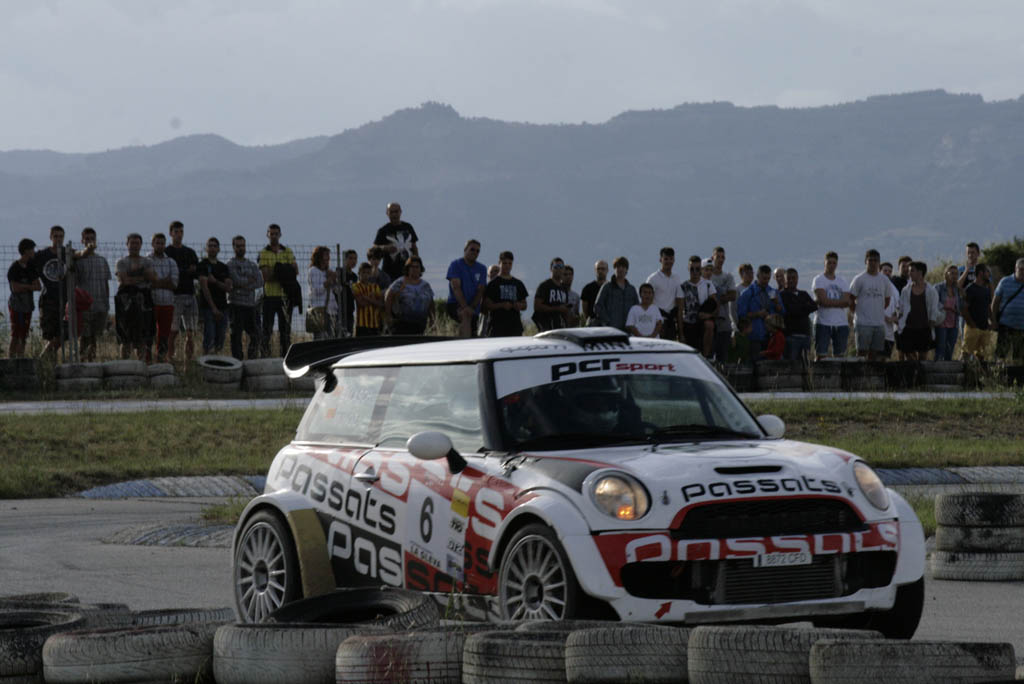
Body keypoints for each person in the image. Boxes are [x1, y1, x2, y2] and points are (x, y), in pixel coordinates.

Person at [114, 233, 156, 361]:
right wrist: (142, 276)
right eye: (132, 243)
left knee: (142, 336)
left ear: (141, 245)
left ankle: (141, 364)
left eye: (137, 243)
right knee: (125, 336)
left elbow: (151, 278)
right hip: (125, 301)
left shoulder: (147, 261)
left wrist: (131, 276)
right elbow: (124, 281)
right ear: (127, 244)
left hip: (144, 300)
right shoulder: (121, 262)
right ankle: (124, 365)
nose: (134, 246)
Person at [258, 223, 298, 356]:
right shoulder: (264, 253)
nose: (274, 236)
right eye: (271, 234)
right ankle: (265, 355)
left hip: (285, 296)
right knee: (267, 329)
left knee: (285, 330)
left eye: (276, 234)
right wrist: (283, 271)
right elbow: (265, 276)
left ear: (280, 235)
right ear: (267, 235)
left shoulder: (288, 251)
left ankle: (285, 356)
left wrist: (275, 271)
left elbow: (295, 271)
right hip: (269, 296)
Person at [74, 227, 111, 362]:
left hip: (100, 304)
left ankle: (92, 361)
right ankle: (82, 360)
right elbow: (75, 282)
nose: (90, 241)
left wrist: (107, 303)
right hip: (84, 304)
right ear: (82, 241)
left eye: (92, 239)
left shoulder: (102, 260)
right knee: (84, 335)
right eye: (87, 239)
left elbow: (106, 283)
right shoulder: (78, 261)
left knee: (94, 336)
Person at [165, 220, 199, 363]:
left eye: (181, 232)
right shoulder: (167, 252)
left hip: (190, 295)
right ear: (171, 233)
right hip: (174, 296)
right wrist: (186, 271)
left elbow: (196, 272)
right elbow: (170, 273)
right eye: (176, 232)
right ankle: (170, 358)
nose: (179, 235)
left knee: (190, 332)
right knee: (173, 332)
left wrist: (182, 271)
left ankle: (188, 363)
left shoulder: (190, 252)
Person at [32, 225, 68, 359]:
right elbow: (29, 265)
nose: (58, 239)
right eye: (55, 236)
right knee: (50, 334)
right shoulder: (42, 255)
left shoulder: (68, 254)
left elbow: (80, 255)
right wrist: (35, 281)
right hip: (49, 300)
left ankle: (43, 359)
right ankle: (47, 362)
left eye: (61, 236)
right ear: (51, 237)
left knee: (64, 333)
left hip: (65, 299)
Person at [849, 249, 892, 361]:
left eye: (876, 260)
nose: (873, 263)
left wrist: (877, 310)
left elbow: (887, 300)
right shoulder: (859, 279)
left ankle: (871, 372)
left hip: (879, 323)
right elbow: (851, 299)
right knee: (861, 352)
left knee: (875, 354)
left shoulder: (884, 280)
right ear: (866, 261)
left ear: (879, 262)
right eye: (870, 260)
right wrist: (857, 313)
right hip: (863, 323)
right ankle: (860, 372)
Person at [737, 264, 784, 361]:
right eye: (764, 278)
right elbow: (741, 315)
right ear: (758, 276)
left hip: (771, 337)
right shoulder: (747, 293)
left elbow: (782, 312)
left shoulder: (773, 292)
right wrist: (757, 314)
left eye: (768, 278)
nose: (766, 281)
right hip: (754, 335)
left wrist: (776, 303)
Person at [227, 235, 263, 360]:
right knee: (236, 335)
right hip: (236, 304)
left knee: (256, 334)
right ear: (233, 247)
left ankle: (252, 358)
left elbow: (259, 282)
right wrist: (249, 281)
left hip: (250, 305)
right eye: (238, 246)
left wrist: (242, 284)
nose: (241, 248)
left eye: (242, 245)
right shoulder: (230, 264)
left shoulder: (252, 264)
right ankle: (237, 359)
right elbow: (236, 281)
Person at [897, 261, 942, 361]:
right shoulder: (906, 290)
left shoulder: (931, 291)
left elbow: (934, 310)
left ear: (920, 272)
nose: (909, 273)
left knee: (922, 357)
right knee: (909, 355)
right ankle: (914, 370)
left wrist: (930, 326)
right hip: (908, 328)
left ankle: (920, 371)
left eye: (912, 271)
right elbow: (901, 308)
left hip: (924, 328)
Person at [812, 252, 851, 359]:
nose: (832, 265)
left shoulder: (842, 281)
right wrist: (839, 302)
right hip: (823, 323)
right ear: (824, 263)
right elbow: (823, 301)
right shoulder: (819, 280)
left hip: (841, 323)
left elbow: (847, 302)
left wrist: (828, 302)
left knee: (840, 356)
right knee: (821, 355)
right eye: (829, 262)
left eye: (834, 263)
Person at [197, 237, 233, 354]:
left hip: (223, 307)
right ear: (206, 248)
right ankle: (206, 360)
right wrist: (213, 309)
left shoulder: (224, 267)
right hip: (208, 308)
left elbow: (228, 288)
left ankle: (217, 360)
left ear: (218, 249)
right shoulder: (202, 265)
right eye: (210, 246)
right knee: (209, 338)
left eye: (214, 246)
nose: (212, 248)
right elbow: (204, 287)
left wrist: (215, 281)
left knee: (220, 340)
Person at [446, 239, 487, 338]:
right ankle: (464, 344)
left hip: (474, 306)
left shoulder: (482, 268)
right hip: (455, 303)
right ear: (465, 250)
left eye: (477, 251)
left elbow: (480, 290)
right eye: (472, 249)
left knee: (472, 331)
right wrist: (465, 307)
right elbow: (456, 287)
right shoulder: (456, 265)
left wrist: (471, 307)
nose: (475, 252)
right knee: (465, 315)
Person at [148, 233, 179, 363]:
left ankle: (161, 360)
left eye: (162, 243)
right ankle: (147, 360)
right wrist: (164, 281)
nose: (160, 246)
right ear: (152, 244)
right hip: (152, 303)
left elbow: (174, 284)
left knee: (164, 335)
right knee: (149, 333)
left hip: (167, 303)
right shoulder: (147, 261)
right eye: (158, 243)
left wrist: (156, 282)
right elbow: (147, 284)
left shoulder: (171, 262)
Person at [7, 238, 41, 358]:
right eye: (32, 249)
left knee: (24, 335)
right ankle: (11, 359)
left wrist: (23, 286)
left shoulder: (31, 267)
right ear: (26, 251)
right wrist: (29, 286)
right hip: (16, 306)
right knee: (15, 334)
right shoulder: (14, 268)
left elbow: (38, 286)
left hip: (28, 306)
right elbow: (15, 288)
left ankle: (20, 358)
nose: (34, 252)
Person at [483, 251, 529, 337]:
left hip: (514, 326)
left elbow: (525, 305)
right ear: (499, 263)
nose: (507, 266)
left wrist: (519, 305)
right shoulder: (493, 284)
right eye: (504, 263)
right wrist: (501, 305)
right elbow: (486, 305)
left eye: (510, 263)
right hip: (496, 327)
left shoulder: (518, 283)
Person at [385, 256, 434, 334]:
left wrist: (432, 319)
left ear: (421, 269)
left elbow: (431, 303)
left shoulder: (426, 285)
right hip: (401, 324)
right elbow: (388, 296)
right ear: (407, 268)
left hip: (420, 324)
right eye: (412, 267)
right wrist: (388, 316)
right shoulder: (400, 282)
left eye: (417, 267)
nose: (415, 269)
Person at [779, 268, 818, 362]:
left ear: (797, 279)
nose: (791, 280)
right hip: (790, 336)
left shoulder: (803, 294)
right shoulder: (782, 295)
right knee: (792, 364)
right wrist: (804, 307)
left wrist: (798, 307)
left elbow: (814, 306)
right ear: (785, 280)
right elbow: (791, 310)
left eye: (793, 278)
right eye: (789, 278)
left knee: (806, 363)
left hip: (805, 335)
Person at [374, 202, 419, 282]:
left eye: (396, 211)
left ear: (400, 212)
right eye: (391, 212)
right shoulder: (383, 230)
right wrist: (385, 248)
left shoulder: (408, 227)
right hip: (389, 273)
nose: (394, 214)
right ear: (387, 213)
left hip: (408, 272)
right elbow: (374, 248)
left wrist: (417, 264)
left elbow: (414, 247)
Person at [646, 247, 683, 342]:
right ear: (660, 260)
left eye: (671, 259)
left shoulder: (677, 278)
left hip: (671, 322)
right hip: (657, 322)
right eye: (666, 259)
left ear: (674, 260)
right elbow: (647, 302)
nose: (668, 261)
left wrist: (680, 331)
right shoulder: (652, 279)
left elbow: (680, 304)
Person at [594, 256, 639, 331]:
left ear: (626, 270)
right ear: (614, 269)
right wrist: (607, 321)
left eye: (623, 267)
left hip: (627, 329)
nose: (620, 269)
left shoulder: (631, 289)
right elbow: (598, 306)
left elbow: (637, 308)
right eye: (618, 267)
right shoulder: (607, 287)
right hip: (610, 330)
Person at [992, 257, 1024, 362]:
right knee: (1001, 354)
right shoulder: (1005, 281)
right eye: (1021, 269)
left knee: (1019, 357)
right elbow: (995, 302)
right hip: (1005, 324)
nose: (1022, 272)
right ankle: (1000, 371)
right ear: (1015, 269)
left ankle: (1017, 372)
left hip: (1021, 327)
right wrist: (993, 320)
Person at [962, 263, 994, 361]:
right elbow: (964, 309)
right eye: (987, 272)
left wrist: (992, 321)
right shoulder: (970, 288)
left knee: (983, 356)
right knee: (966, 355)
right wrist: (972, 324)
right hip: (972, 328)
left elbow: (988, 307)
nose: (989, 274)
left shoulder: (986, 289)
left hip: (984, 328)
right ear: (981, 273)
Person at [710, 247, 737, 362]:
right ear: (713, 258)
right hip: (711, 322)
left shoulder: (728, 277)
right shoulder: (707, 276)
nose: (720, 260)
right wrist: (723, 296)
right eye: (718, 257)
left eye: (723, 257)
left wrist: (716, 299)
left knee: (723, 358)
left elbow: (733, 295)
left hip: (724, 324)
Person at [306, 246, 339, 340]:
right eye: (326, 255)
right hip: (319, 309)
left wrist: (335, 280)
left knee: (331, 337)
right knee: (320, 337)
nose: (328, 258)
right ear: (319, 257)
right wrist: (328, 281)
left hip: (331, 309)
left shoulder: (328, 272)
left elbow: (337, 290)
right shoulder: (313, 271)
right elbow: (316, 290)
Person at [934, 264, 964, 362]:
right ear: (946, 274)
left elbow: (960, 306)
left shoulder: (957, 289)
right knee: (940, 348)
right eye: (952, 273)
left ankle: (948, 368)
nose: (954, 276)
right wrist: (946, 307)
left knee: (950, 350)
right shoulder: (938, 287)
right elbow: (934, 303)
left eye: (956, 274)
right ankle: (937, 368)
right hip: (941, 322)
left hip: (954, 323)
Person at [533, 257, 571, 332]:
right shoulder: (544, 286)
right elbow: (537, 306)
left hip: (560, 326)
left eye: (561, 267)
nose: (558, 269)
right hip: (546, 326)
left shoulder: (564, 288)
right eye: (556, 267)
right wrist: (556, 308)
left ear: (563, 269)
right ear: (551, 269)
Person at [352, 262, 385, 336]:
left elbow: (380, 304)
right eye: (363, 272)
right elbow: (361, 304)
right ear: (359, 273)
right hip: (361, 324)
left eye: (368, 273)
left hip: (375, 324)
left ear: (370, 274)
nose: (365, 275)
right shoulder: (355, 286)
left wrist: (366, 297)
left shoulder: (375, 287)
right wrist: (373, 299)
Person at [580, 260, 608, 326]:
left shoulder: (611, 288)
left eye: (603, 269)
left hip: (607, 323)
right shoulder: (587, 288)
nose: (600, 271)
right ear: (595, 270)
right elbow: (585, 309)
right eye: (598, 269)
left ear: (607, 270)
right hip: (592, 323)